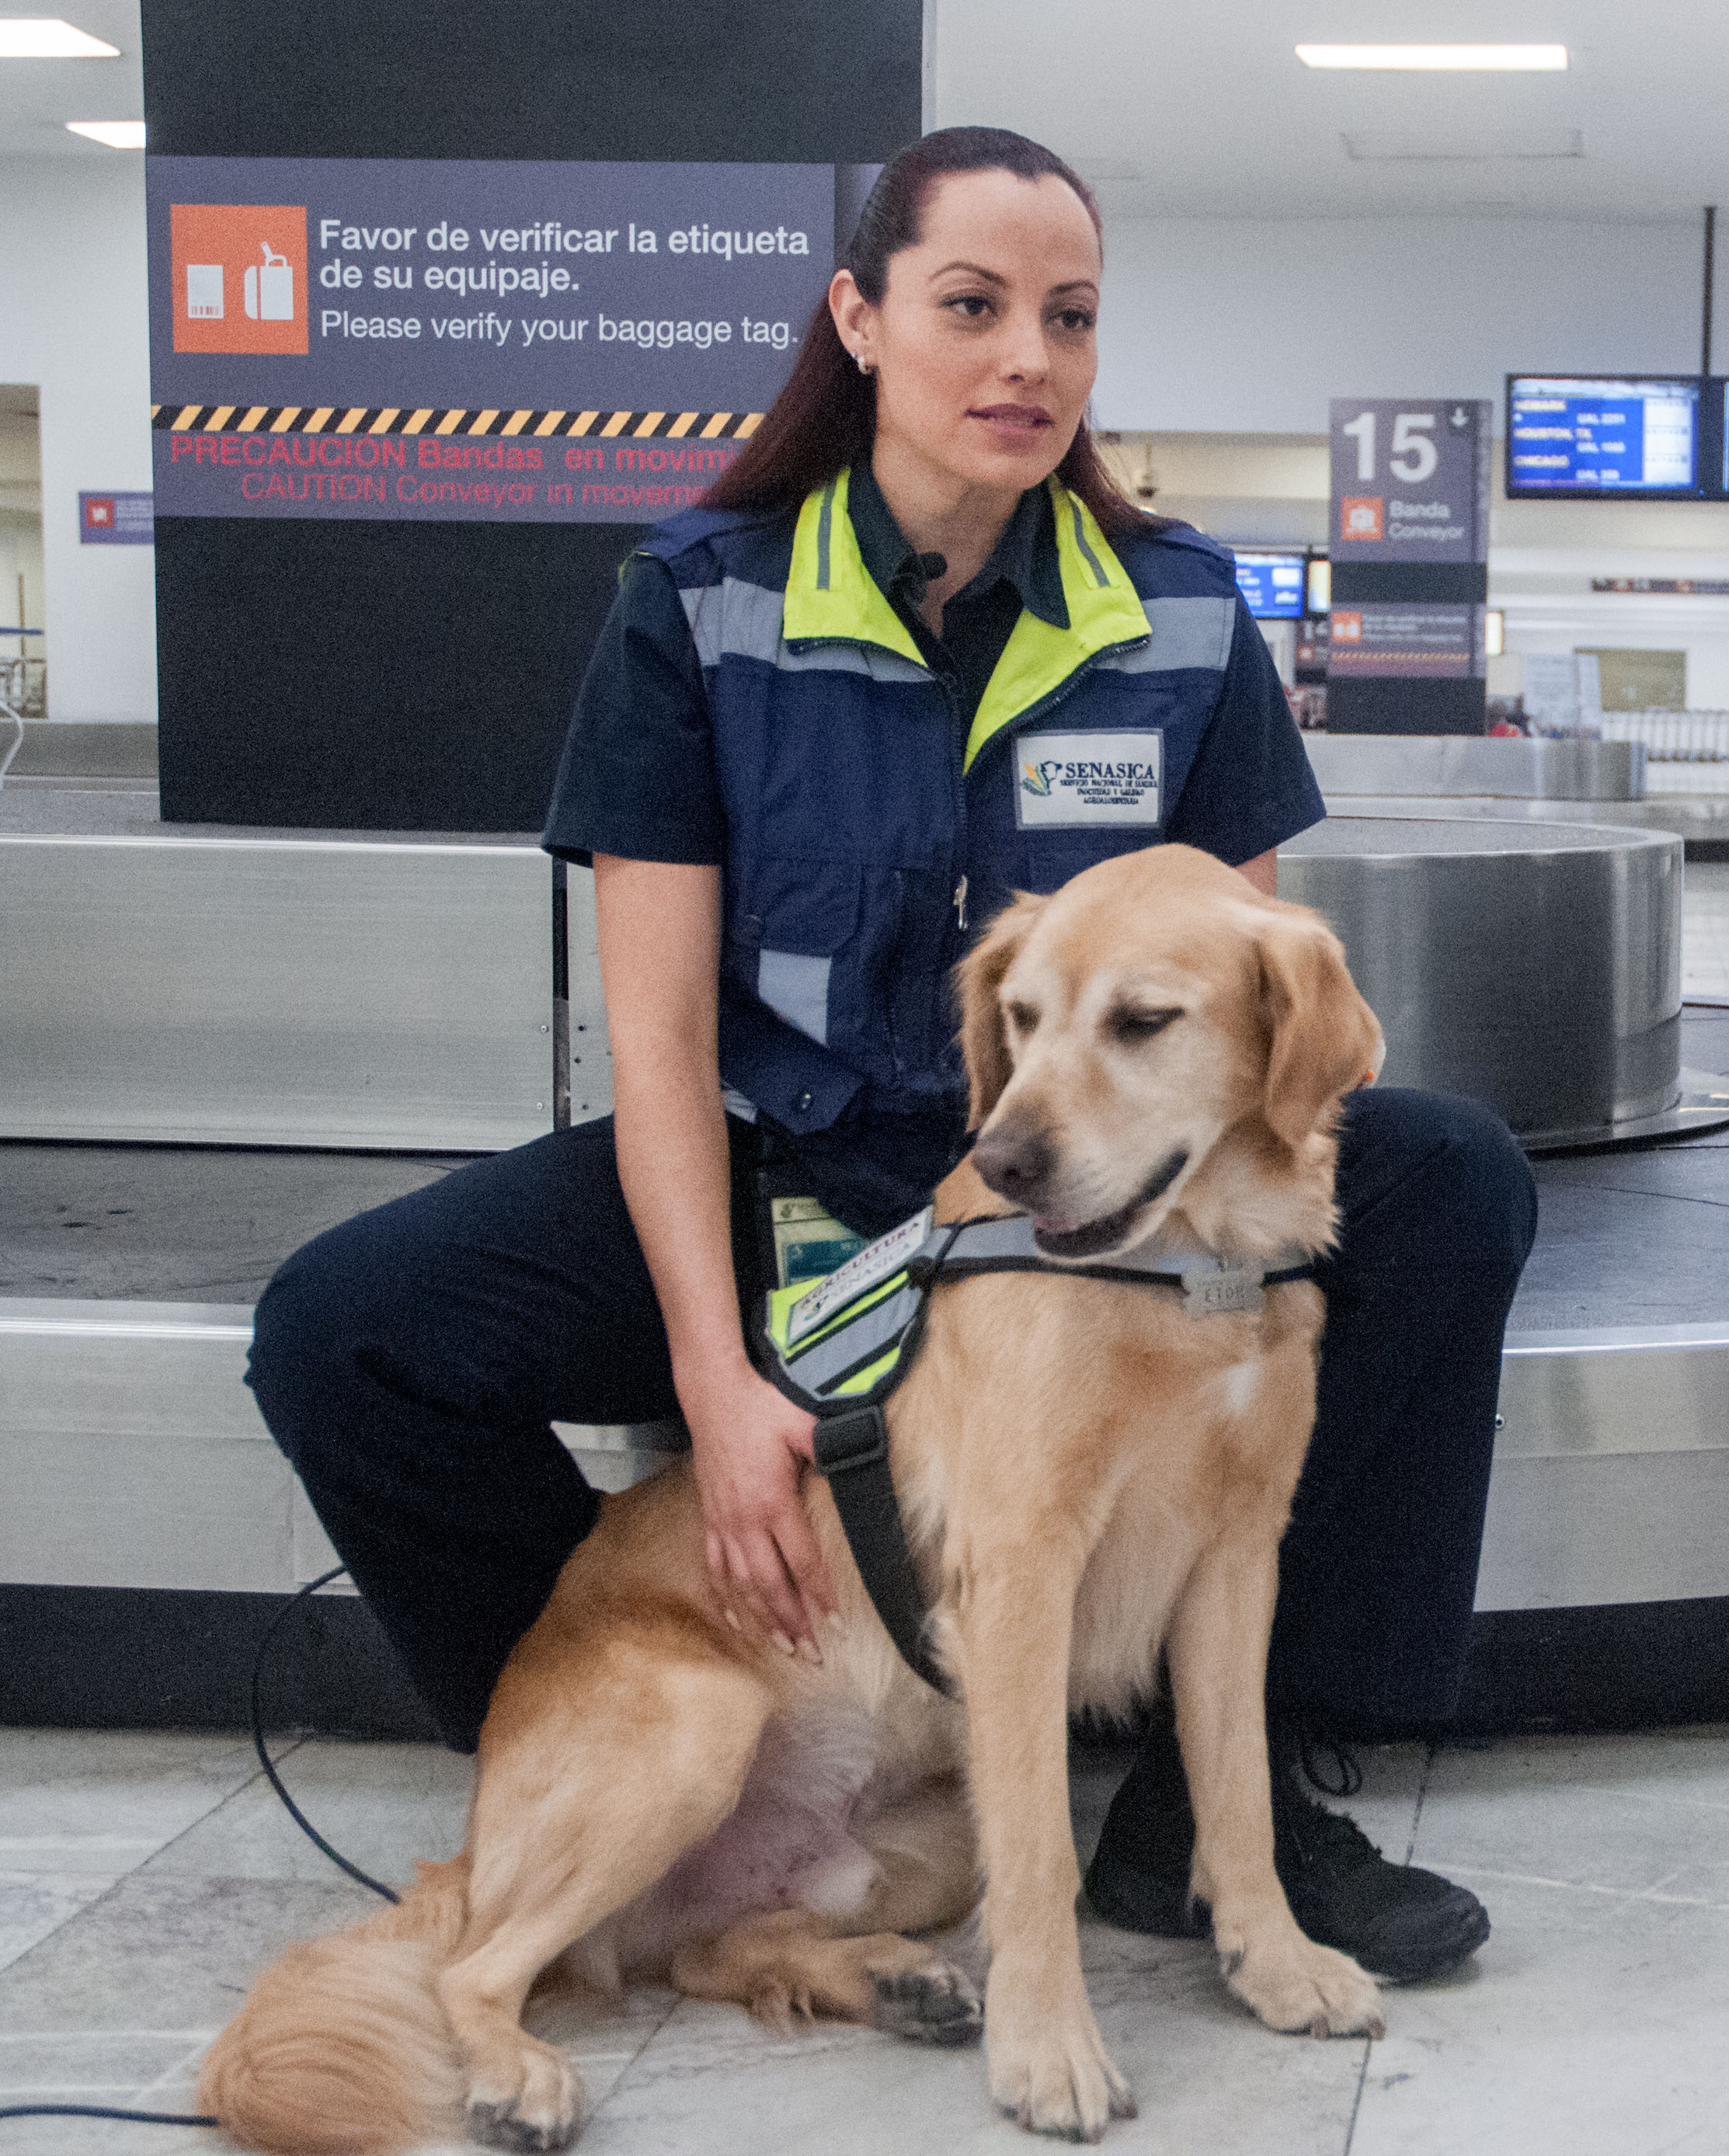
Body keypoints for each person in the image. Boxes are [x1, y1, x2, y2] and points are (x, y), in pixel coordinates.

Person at [243, 127, 1532, 1987]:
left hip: (1051, 1178)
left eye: (1068, 317)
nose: (1027, 356)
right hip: (790, 1188)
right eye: (972, 305)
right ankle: (645, 1753)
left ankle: (1218, 1799)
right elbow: (668, 1041)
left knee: (1452, 1181)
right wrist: (718, 1372)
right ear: (857, 318)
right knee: (344, 1327)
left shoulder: (1175, 614)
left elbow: (1238, 1035)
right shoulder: (698, 604)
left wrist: (1170, 1242)